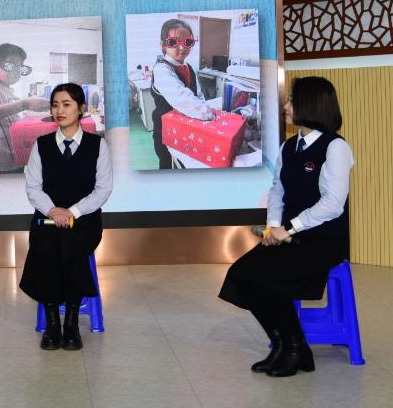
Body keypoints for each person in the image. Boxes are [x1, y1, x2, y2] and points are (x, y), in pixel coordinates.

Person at [219, 76, 352, 377]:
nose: (286, 106)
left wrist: (289, 228)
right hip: (288, 235)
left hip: (322, 240)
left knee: (267, 277)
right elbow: (278, 191)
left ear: (311, 105)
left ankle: (293, 349)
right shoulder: (289, 146)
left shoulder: (336, 147)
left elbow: (333, 204)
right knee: (241, 275)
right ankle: (287, 345)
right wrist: (272, 227)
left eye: (292, 100)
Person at [20, 83, 112, 350]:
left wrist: (71, 212)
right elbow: (33, 188)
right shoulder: (41, 145)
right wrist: (53, 211)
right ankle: (52, 322)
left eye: (66, 104)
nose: (59, 110)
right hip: (47, 218)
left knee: (71, 243)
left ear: (81, 108)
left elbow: (103, 190)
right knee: (46, 245)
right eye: (55, 105)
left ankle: (70, 322)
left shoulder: (98, 145)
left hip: (84, 220)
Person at [150, 19, 214, 169]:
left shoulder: (189, 67)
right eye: (173, 42)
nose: (181, 47)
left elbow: (198, 95)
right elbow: (182, 98)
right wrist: (209, 114)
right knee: (168, 165)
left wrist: (204, 110)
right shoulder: (161, 69)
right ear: (163, 45)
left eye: (187, 42)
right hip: (165, 132)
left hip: (186, 129)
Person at [0, 43, 49, 174]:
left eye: (20, 67)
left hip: (15, 158)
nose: (16, 72)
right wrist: (24, 104)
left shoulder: (10, 91)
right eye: (10, 66)